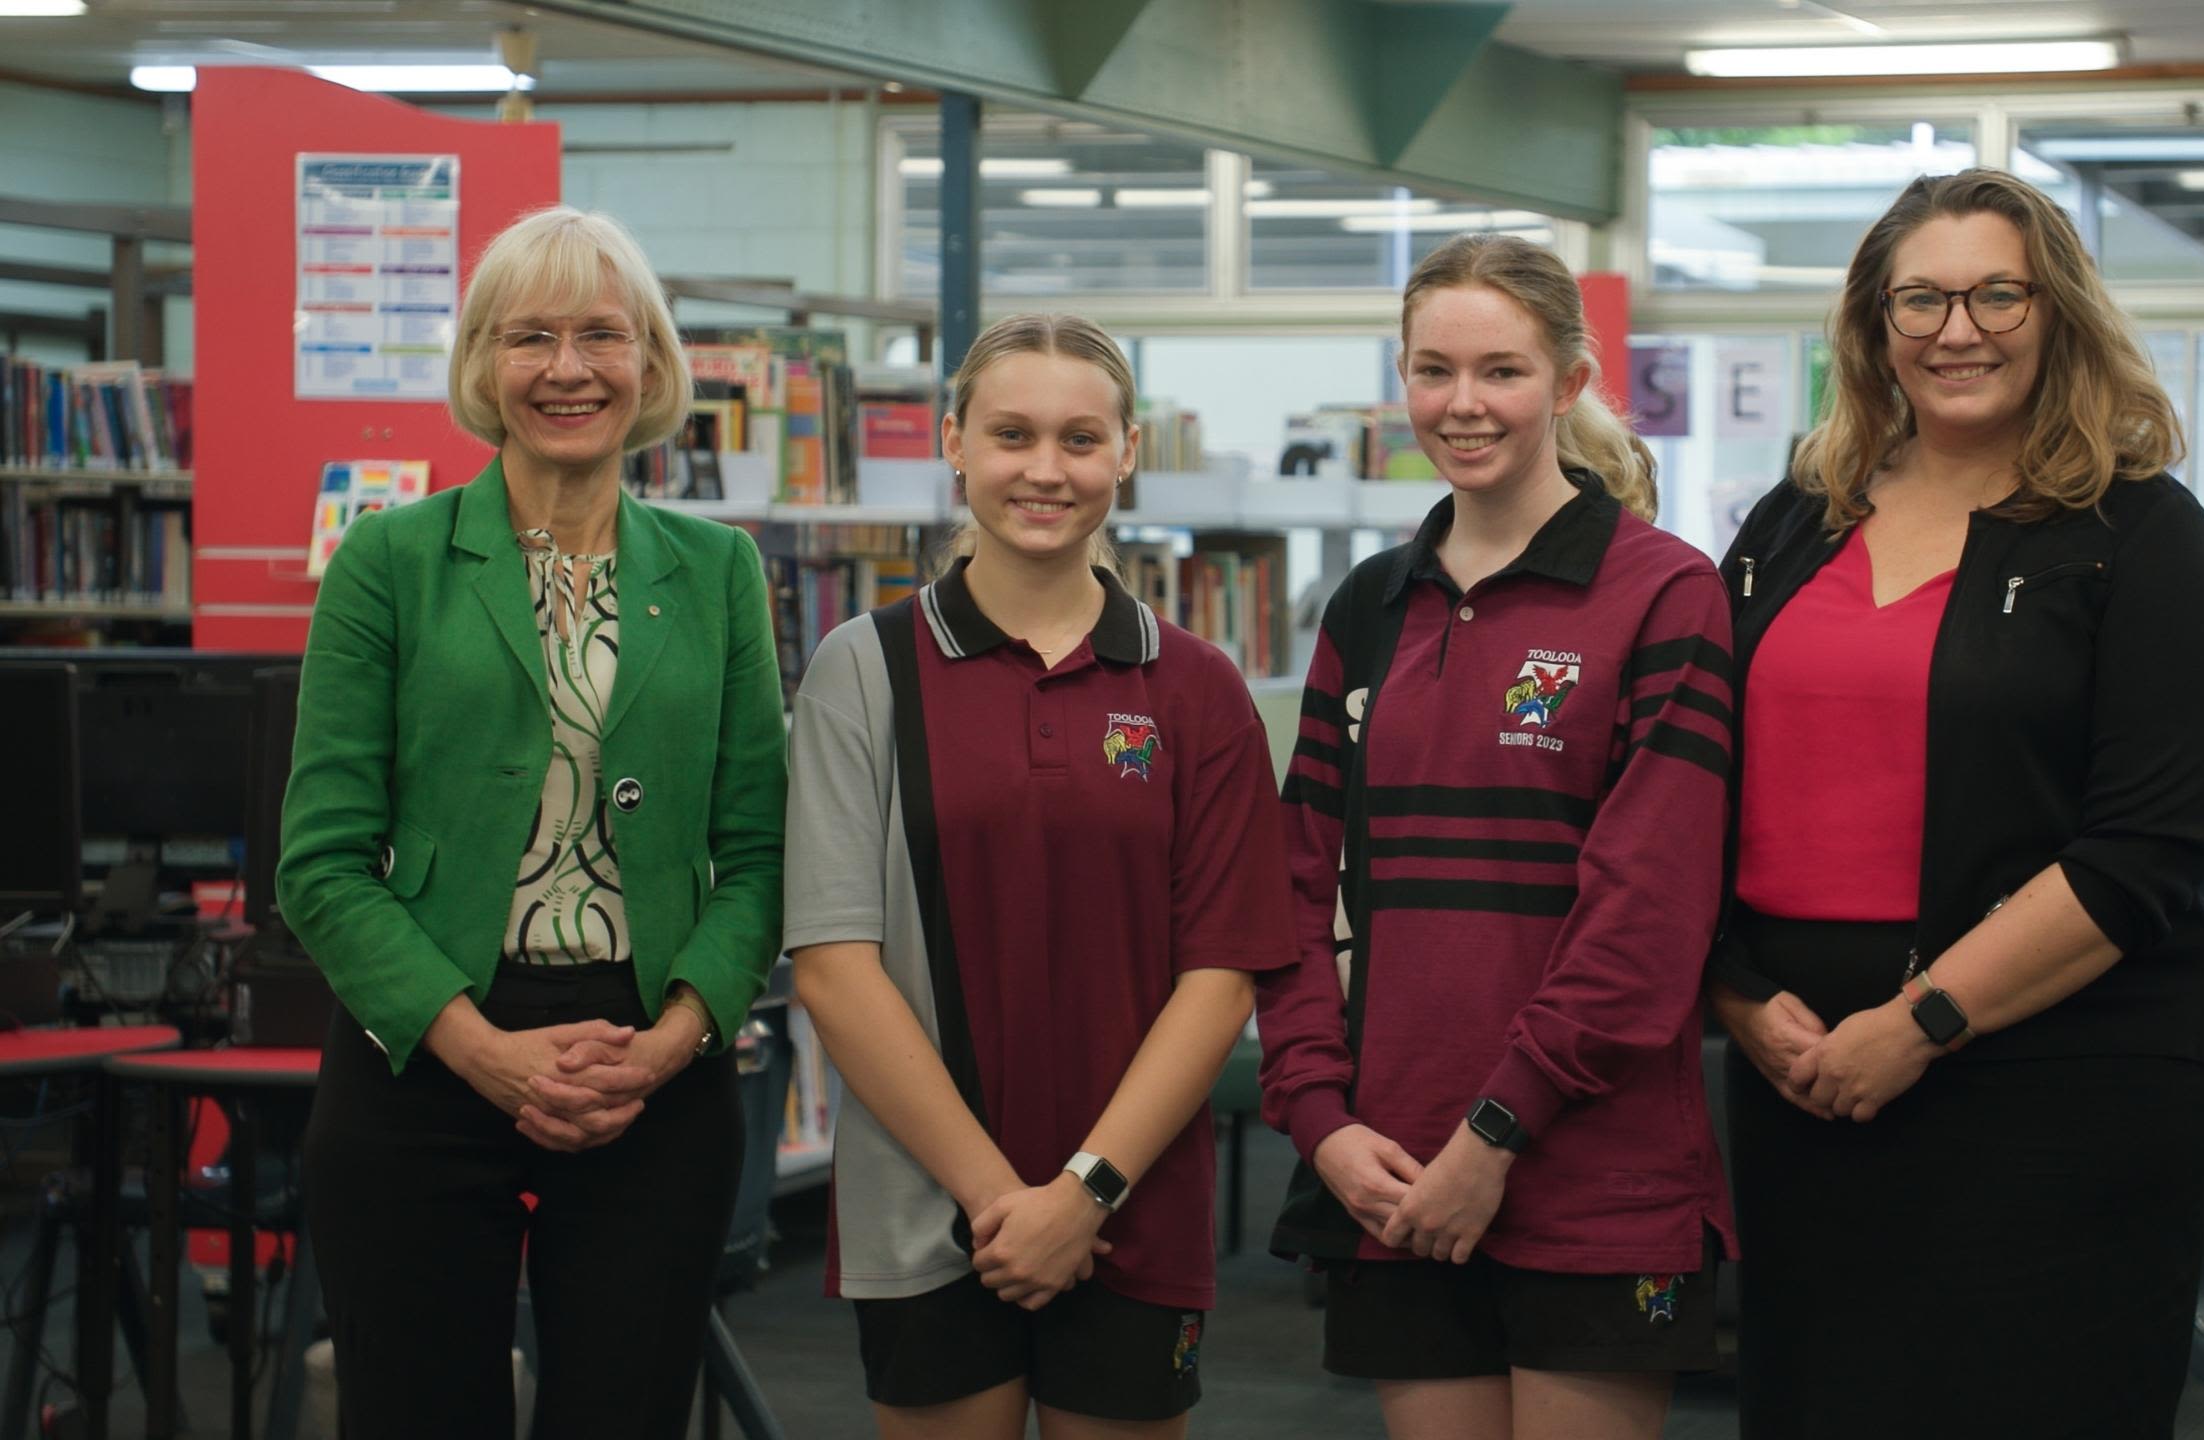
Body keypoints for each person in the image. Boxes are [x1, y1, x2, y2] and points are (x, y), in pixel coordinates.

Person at [1709, 167, 2204, 1439]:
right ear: (1873, 325)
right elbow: (1698, 787)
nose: (1958, 331)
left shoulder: (2140, 534)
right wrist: (1734, 998)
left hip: (2060, 1079)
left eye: (1996, 294)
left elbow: (2145, 850)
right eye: (1923, 300)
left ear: (2055, 311)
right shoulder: (1792, 522)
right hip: (1803, 1077)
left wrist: (1920, 1021)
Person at [279, 206, 787, 1438]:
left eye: (602, 336)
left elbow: (764, 853)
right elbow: (322, 864)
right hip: (421, 1059)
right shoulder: (388, 562)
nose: (568, 368)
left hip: (648, 1068)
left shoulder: (716, 571)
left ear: (651, 367)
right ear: (482, 366)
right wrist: (480, 1050)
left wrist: (671, 1042)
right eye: (531, 338)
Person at [1257, 233, 1736, 1440]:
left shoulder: (1664, 593)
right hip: (1392, 1169)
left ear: (1570, 382)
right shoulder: (1369, 604)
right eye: (1433, 370)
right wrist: (1320, 1119)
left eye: (1502, 371)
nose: (1463, 405)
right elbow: (1298, 884)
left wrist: (1497, 1131)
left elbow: (1649, 913)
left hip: (1591, 1173)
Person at [783, 312, 1293, 1439]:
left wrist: (1081, 1194)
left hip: (1133, 1203)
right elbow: (830, 965)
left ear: (1125, 453)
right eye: (1012, 435)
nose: (1045, 470)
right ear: (955, 442)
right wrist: (996, 1200)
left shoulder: (1198, 688)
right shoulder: (860, 671)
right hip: (924, 1202)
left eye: (1079, 438)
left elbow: (1221, 973)